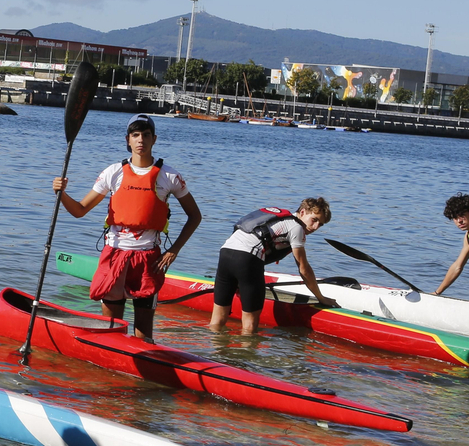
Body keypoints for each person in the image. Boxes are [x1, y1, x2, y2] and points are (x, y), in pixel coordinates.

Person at [52, 114, 201, 343]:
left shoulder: (169, 176)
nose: (141, 140)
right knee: (110, 329)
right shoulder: (113, 172)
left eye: (146, 135)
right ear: (128, 140)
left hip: (148, 259)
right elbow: (80, 210)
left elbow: (195, 216)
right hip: (114, 255)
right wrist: (61, 193)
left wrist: (174, 250)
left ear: (154, 139)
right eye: (136, 135)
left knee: (144, 335)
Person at [208, 199, 336, 335]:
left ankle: (214, 346)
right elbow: (304, 269)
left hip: (226, 253)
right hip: (247, 260)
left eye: (320, 224)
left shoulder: (278, 219)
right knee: (250, 325)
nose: (315, 227)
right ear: (303, 212)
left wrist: (239, 279)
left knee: (217, 320)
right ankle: (247, 348)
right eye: (314, 220)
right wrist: (321, 298)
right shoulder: (296, 228)